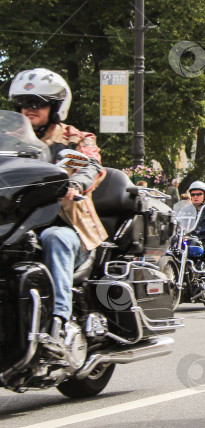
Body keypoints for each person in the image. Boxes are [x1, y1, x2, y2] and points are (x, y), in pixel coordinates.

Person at [10, 67, 107, 351]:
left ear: (55, 107)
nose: (29, 109)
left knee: (54, 238)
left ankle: (59, 325)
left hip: (69, 227)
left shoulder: (76, 139)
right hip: (17, 225)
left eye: (37, 103)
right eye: (25, 104)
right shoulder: (11, 138)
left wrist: (76, 182)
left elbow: (93, 164)